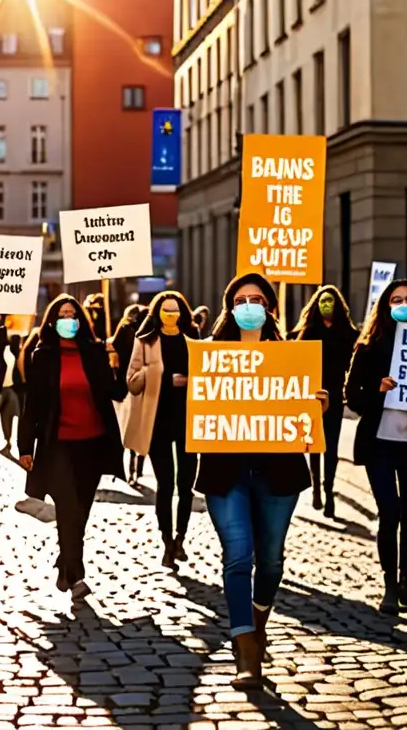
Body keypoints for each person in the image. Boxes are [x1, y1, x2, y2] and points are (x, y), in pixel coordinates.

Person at [197, 273, 328, 689]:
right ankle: (245, 649)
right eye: (241, 299)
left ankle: (257, 618)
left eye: (257, 299)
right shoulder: (211, 355)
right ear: (229, 308)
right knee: (238, 557)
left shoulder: (290, 355)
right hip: (226, 470)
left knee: (270, 559)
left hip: (277, 471)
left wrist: (319, 406)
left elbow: (306, 409)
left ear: (270, 307)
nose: (249, 305)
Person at [18, 295, 126, 599]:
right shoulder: (43, 356)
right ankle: (77, 577)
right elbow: (34, 405)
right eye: (62, 314)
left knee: (80, 512)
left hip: (92, 445)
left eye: (73, 314)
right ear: (52, 321)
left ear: (81, 321)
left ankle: (66, 560)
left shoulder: (94, 352)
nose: (69, 319)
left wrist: (114, 363)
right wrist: (25, 446)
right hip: (58, 446)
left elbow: (116, 393)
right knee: (67, 509)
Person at [344, 278, 407, 614]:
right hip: (380, 443)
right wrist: (378, 388)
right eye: (396, 299)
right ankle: (388, 583)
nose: (403, 304)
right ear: (385, 305)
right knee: (390, 511)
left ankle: (405, 577)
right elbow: (352, 398)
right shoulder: (369, 346)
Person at [125, 292, 200, 568]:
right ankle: (166, 541)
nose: (171, 315)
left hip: (188, 420)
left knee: (186, 485)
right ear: (157, 313)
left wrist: (189, 380)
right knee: (165, 484)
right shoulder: (145, 341)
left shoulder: (194, 339)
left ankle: (181, 537)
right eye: (166, 311)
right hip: (157, 421)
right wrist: (154, 373)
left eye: (175, 310)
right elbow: (131, 381)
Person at [289, 286, 359, 517]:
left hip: (336, 398)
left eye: (330, 301)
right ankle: (316, 489)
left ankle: (329, 492)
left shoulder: (348, 333)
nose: (326, 305)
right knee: (313, 446)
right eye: (322, 301)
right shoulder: (307, 332)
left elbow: (356, 363)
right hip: (312, 396)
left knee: (331, 448)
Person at [111, 304, 147, 483]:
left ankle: (129, 470)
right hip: (143, 385)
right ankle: (136, 469)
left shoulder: (124, 329)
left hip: (125, 387)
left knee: (126, 429)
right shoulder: (147, 331)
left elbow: (114, 351)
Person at [0, 334, 22, 455]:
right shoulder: (13, 353)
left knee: (6, 417)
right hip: (7, 389)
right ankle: (7, 442)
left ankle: (8, 442)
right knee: (7, 417)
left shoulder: (7, 353)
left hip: (6, 389)